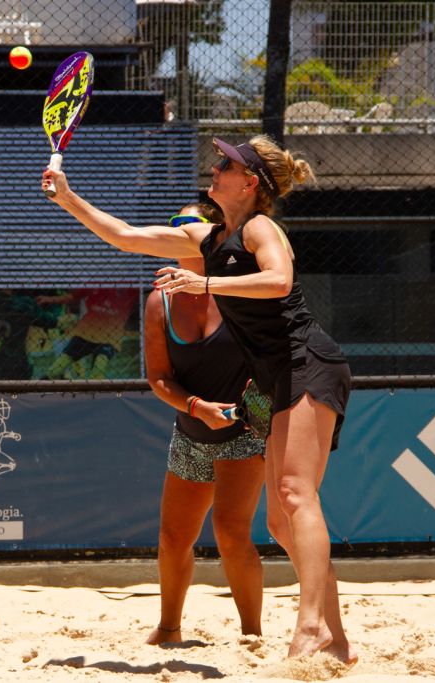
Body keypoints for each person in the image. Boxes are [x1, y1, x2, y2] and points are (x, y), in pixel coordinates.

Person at [41, 135, 356, 664]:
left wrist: (203, 283)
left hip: (308, 364)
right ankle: (339, 641)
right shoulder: (209, 238)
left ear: (249, 182)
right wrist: (69, 199)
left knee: (294, 495)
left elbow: (279, 281)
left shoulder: (259, 227)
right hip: (277, 375)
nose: (214, 167)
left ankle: (310, 627)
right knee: (281, 521)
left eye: (226, 164)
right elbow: (126, 236)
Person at [142, 202, 266, 646]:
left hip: (242, 433)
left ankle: (252, 636)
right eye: (173, 224)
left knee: (232, 535)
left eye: (188, 224)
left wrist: (257, 407)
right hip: (193, 431)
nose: (177, 232)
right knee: (174, 538)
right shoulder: (160, 301)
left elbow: (276, 358)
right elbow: (158, 378)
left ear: (213, 236)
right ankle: (169, 628)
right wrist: (197, 408)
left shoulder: (242, 291)